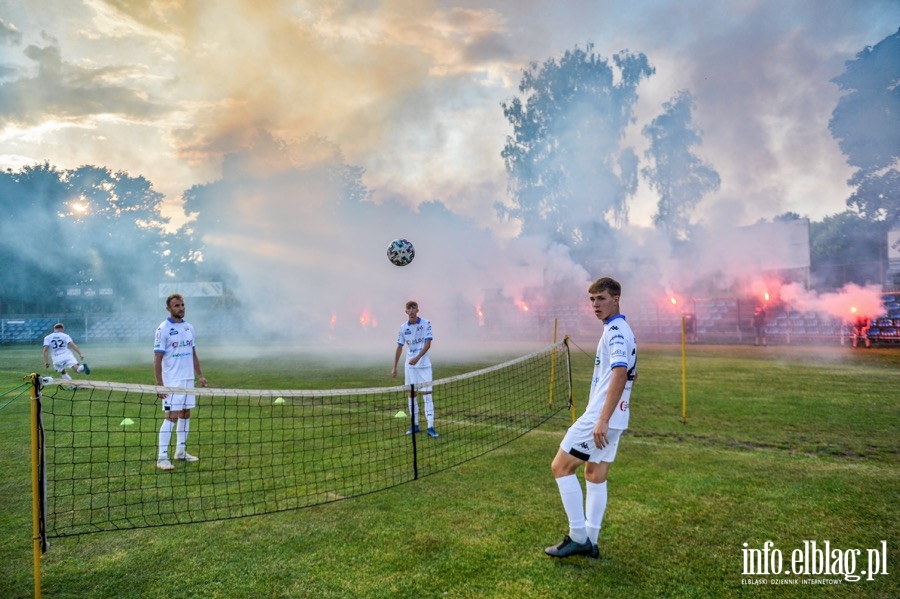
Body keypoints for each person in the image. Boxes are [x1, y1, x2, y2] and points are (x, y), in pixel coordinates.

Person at [545, 277, 637, 559]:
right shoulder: (617, 328)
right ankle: (591, 541)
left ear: (616, 299)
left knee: (561, 466)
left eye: (601, 299)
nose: (595, 305)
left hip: (602, 416)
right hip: (617, 417)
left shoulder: (616, 331)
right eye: (592, 300)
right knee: (594, 474)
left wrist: (602, 419)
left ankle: (578, 537)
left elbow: (620, 373)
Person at [154, 293, 208, 471]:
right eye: (176, 305)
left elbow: (193, 353)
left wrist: (200, 375)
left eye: (182, 305)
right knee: (171, 417)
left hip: (188, 381)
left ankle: (181, 451)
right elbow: (157, 358)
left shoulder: (189, 328)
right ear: (169, 308)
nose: (181, 308)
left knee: (185, 414)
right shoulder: (163, 329)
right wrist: (160, 384)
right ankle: (162, 458)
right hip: (172, 382)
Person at [391, 300, 438, 438]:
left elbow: (428, 344)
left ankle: (430, 427)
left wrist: (417, 358)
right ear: (406, 311)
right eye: (408, 308)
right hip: (410, 366)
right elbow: (399, 346)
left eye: (414, 308)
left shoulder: (426, 324)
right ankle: (415, 425)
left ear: (417, 310)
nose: (411, 310)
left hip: (423, 365)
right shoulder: (403, 327)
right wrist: (394, 367)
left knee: (427, 394)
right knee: (412, 394)